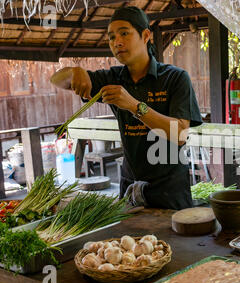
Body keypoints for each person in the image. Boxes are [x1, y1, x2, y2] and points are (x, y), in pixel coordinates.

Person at [50, 6, 203, 210]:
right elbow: (57, 80)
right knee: (125, 242)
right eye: (111, 37)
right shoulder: (113, 78)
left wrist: (133, 105)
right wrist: (74, 71)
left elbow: (181, 133)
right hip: (129, 188)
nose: (117, 42)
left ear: (146, 35)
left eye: (124, 33)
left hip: (169, 191)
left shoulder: (175, 78)